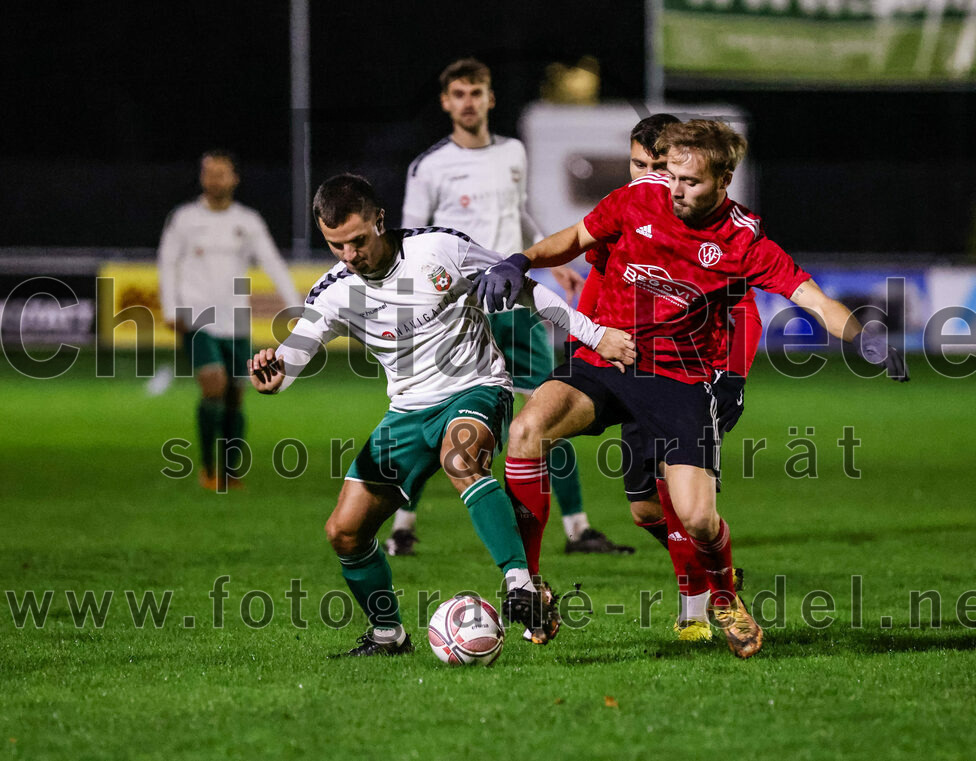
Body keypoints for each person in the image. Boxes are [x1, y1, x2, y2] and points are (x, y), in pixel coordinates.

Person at [474, 119, 909, 659]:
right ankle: (531, 583)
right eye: (671, 174)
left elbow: (813, 300)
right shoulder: (640, 198)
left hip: (680, 379)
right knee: (526, 429)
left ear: (724, 180)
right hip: (606, 357)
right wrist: (523, 260)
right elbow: (576, 237)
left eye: (690, 181)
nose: (673, 188)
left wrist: (864, 337)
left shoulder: (744, 241)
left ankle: (724, 598)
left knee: (698, 518)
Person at [248, 173, 636, 656]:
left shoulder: (440, 251)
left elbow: (524, 288)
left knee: (461, 458)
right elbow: (290, 361)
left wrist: (595, 335)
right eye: (335, 246)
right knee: (344, 532)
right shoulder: (334, 291)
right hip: (407, 412)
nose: (349, 256)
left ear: (380, 221)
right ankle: (388, 635)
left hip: (476, 388)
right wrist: (272, 372)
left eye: (357, 241)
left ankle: (521, 584)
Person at [389, 56, 633, 557]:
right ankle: (402, 526)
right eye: (458, 94)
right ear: (445, 102)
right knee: (432, 411)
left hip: (517, 303)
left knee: (551, 406)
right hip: (459, 314)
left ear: (490, 98)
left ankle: (578, 529)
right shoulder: (429, 167)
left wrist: (551, 255)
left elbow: (517, 211)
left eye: (476, 93)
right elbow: (408, 239)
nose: (468, 102)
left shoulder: (513, 152)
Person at [573, 113, 761, 643]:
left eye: (660, 166)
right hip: (627, 366)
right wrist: (580, 346)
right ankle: (710, 571)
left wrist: (733, 378)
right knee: (643, 509)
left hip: (688, 375)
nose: (651, 177)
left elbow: (745, 308)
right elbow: (600, 279)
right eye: (639, 165)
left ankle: (696, 613)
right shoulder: (629, 214)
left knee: (685, 503)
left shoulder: (714, 230)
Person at [158, 150, 301, 491]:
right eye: (209, 173)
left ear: (234, 178)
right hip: (198, 318)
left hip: (236, 320)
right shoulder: (185, 218)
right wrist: (170, 308)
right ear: (202, 178)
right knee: (214, 387)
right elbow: (167, 262)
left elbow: (272, 262)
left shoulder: (247, 221)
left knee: (237, 396)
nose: (214, 180)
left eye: (221, 174)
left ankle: (231, 472)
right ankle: (208, 469)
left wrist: (296, 307)